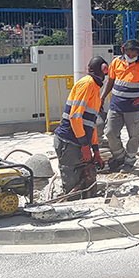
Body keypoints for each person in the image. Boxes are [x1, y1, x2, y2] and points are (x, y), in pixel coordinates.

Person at [101, 39, 139, 172]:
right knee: (110, 132)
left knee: (134, 135)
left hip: (133, 108)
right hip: (116, 105)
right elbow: (110, 81)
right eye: (128, 54)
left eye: (134, 55)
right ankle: (119, 155)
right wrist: (102, 97)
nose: (131, 57)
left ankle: (130, 159)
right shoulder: (116, 62)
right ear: (123, 50)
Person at [53, 56, 107, 196]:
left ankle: (88, 201)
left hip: (79, 141)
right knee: (72, 178)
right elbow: (75, 116)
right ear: (104, 69)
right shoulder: (87, 84)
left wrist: (96, 152)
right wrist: (84, 146)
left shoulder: (94, 87)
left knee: (88, 173)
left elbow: (91, 123)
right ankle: (72, 205)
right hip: (69, 141)